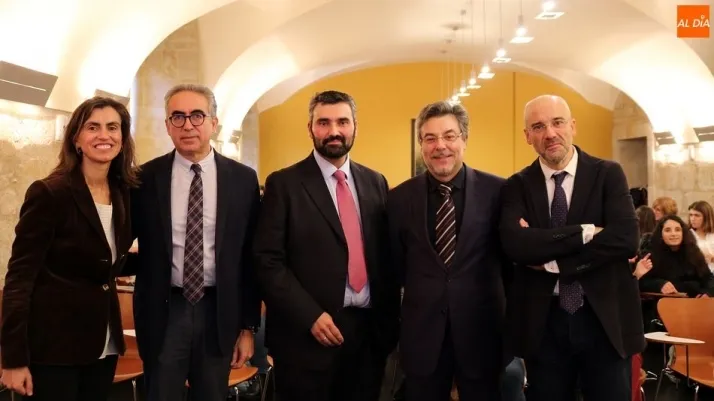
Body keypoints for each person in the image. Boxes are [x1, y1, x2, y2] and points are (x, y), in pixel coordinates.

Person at [253, 90, 400, 401]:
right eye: (324, 122)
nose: (334, 131)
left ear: (355, 127)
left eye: (342, 122)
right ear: (310, 128)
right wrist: (310, 316)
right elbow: (267, 261)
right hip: (306, 337)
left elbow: (385, 255)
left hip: (368, 336)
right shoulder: (284, 184)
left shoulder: (376, 182)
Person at [499, 94, 645, 401]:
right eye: (538, 126)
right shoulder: (516, 185)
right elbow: (517, 246)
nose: (550, 133)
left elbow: (625, 239)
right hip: (544, 324)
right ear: (527, 136)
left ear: (573, 126)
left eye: (557, 122)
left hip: (605, 320)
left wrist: (555, 261)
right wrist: (585, 232)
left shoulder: (608, 174)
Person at [128, 84, 261, 401]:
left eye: (197, 115)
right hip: (164, 312)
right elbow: (120, 239)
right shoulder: (143, 179)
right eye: (178, 116)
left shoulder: (243, 179)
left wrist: (248, 328)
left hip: (219, 312)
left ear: (214, 123)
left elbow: (250, 258)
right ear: (167, 125)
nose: (187, 125)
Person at [1, 97, 139, 400]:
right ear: (76, 138)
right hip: (55, 347)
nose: (104, 135)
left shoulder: (123, 193)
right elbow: (20, 278)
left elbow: (102, 262)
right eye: (93, 127)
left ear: (122, 138)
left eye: (112, 127)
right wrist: (13, 358)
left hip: (104, 343)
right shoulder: (50, 193)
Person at [387, 100, 510, 401]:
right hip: (422, 339)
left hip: (482, 335)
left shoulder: (499, 192)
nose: (440, 146)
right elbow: (393, 269)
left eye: (449, 136)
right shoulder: (398, 199)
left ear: (464, 139)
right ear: (421, 144)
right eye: (430, 138)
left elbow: (511, 266)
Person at [640, 215, 714, 298]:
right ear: (661, 234)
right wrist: (659, 285)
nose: (673, 234)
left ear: (683, 233)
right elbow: (641, 281)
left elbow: (708, 278)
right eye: (668, 230)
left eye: (677, 230)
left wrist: (707, 293)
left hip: (694, 301)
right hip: (664, 302)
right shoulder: (651, 253)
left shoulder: (693, 252)